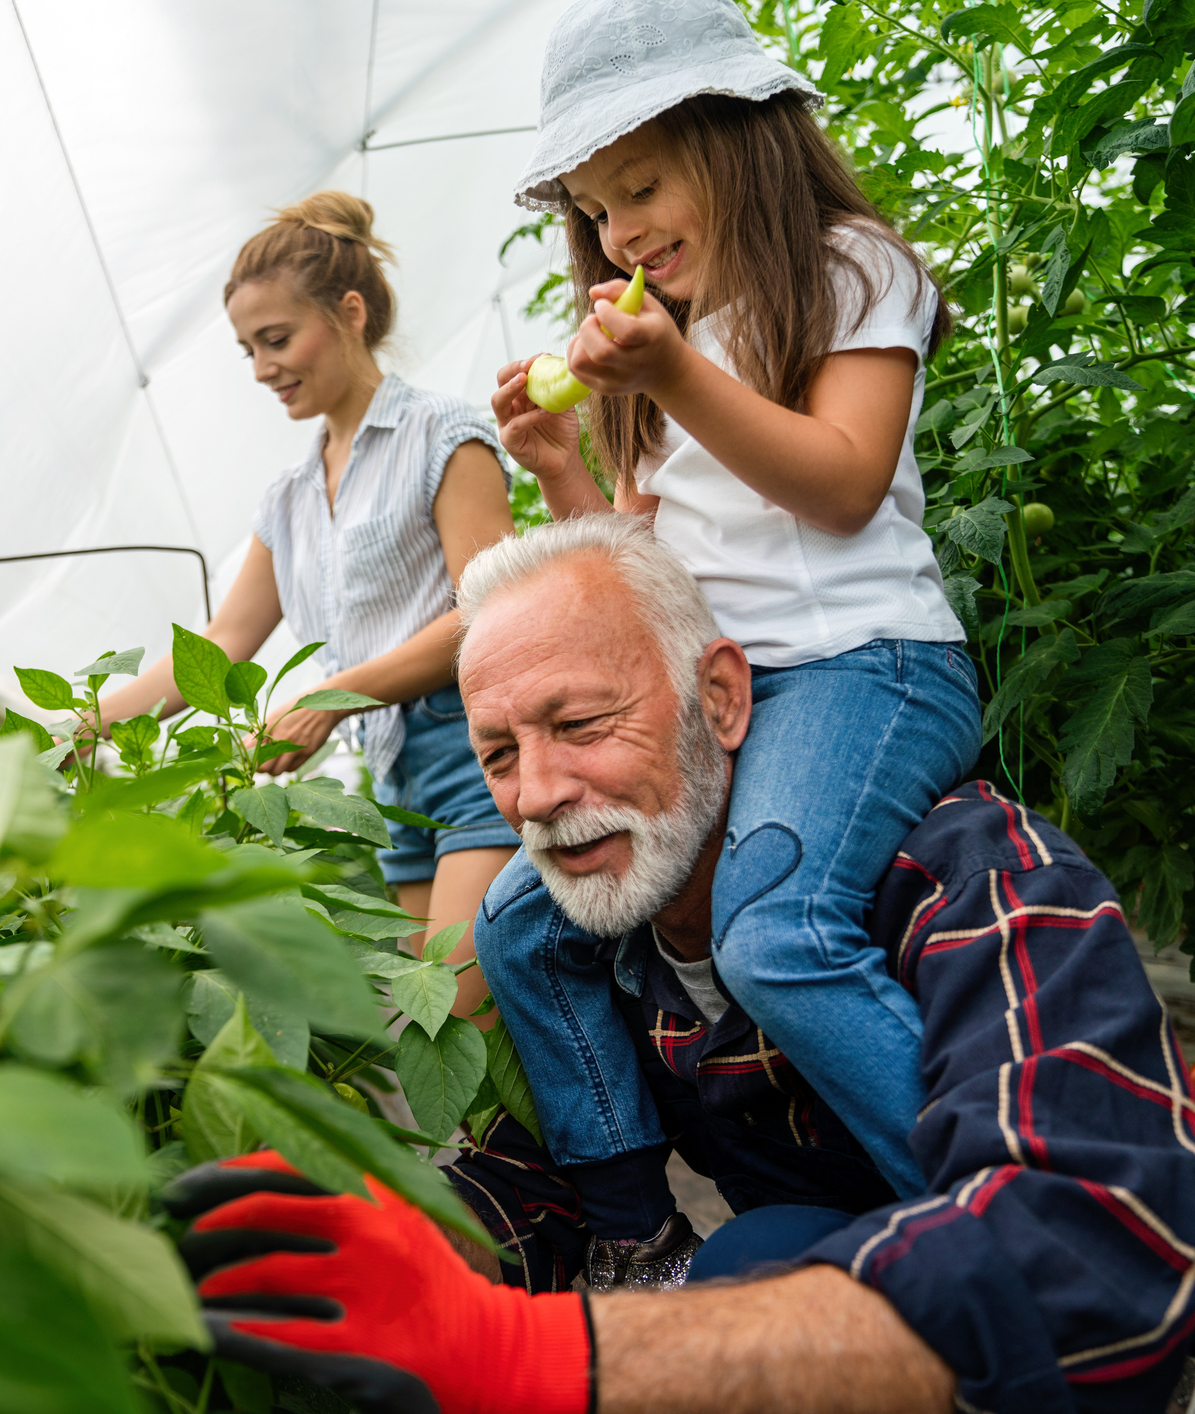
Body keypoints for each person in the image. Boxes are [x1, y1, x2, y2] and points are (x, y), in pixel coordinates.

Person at [165, 517, 1195, 1414]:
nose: (534, 795)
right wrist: (372, 1229)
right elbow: (541, 1185)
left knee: (739, 1265)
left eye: (580, 726)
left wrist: (535, 1355)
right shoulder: (596, 946)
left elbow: (1092, 1248)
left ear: (721, 698)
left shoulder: (968, 878)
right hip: (885, 1345)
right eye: (496, 754)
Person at [476, 0, 980, 1275]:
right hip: (720, 692)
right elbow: (640, 573)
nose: (619, 228)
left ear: (741, 140)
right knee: (518, 928)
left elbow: (843, 482)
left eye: (640, 184)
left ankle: (1005, 1221)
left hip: (865, 670)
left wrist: (671, 380)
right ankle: (629, 1225)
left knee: (778, 933)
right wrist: (555, 465)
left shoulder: (849, 268)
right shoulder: (666, 346)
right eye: (594, 207)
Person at [96, 193, 518, 1005]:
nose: (262, 368)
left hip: (478, 749)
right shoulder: (289, 497)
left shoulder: (444, 437)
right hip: (394, 776)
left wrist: (330, 695)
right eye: (248, 349)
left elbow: (491, 610)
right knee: (430, 1024)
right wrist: (87, 728)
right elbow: (222, 643)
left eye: (277, 339)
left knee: (461, 1007)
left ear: (349, 312)